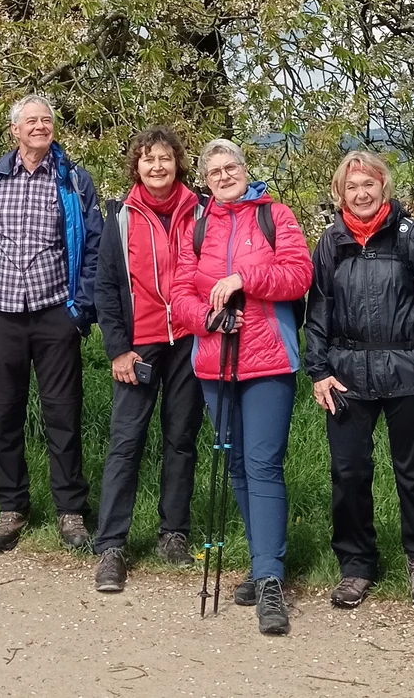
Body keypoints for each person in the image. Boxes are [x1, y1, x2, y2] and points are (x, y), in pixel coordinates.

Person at [304, 151, 414, 611]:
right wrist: (319, 370)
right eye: (352, 187)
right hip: (347, 375)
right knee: (349, 472)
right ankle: (356, 566)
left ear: (384, 187)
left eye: (369, 184)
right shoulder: (331, 243)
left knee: (413, 473)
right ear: (340, 194)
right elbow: (318, 313)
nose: (361, 193)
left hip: (410, 372)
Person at [168, 138, 313, 636]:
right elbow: (179, 293)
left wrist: (241, 280)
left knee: (262, 464)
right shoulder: (197, 224)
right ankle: (260, 562)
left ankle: (270, 579)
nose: (224, 176)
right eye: (215, 172)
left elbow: (298, 275)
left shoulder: (275, 215)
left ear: (246, 171)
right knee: (235, 465)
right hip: (214, 360)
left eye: (232, 168)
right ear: (205, 180)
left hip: (269, 359)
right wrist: (208, 318)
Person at [0, 94, 102, 555]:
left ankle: (70, 511)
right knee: (4, 414)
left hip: (55, 311)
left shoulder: (74, 180)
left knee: (63, 415)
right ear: (14, 130)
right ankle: (12, 506)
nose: (40, 127)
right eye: (30, 121)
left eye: (46, 120)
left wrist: (82, 308)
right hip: (1, 313)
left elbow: (94, 247)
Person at [90, 126, 203, 593]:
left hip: (188, 342)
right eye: (147, 159)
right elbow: (105, 287)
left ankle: (172, 533)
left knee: (181, 439)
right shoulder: (120, 216)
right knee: (126, 442)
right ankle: (111, 545)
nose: (157, 167)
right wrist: (117, 347)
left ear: (178, 163)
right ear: (135, 166)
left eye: (165, 158)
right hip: (140, 343)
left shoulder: (202, 211)